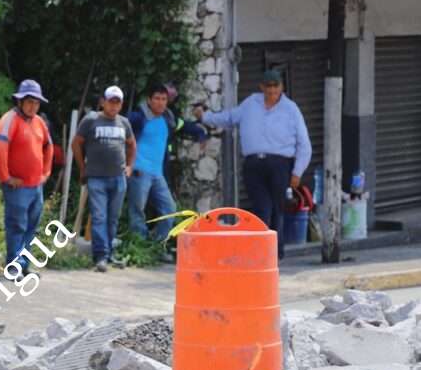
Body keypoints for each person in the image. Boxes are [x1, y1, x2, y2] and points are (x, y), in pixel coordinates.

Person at [193, 68, 312, 259]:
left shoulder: (291, 109)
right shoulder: (251, 103)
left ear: (281, 87)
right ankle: (260, 251)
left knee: (277, 209)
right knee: (261, 208)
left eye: (276, 89)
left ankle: (275, 253)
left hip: (280, 164)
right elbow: (229, 117)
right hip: (254, 164)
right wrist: (205, 117)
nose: (272, 93)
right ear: (262, 87)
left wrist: (297, 172)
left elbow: (304, 144)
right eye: (268, 89)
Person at [126, 83, 206, 246]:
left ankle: (157, 244)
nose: (161, 102)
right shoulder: (137, 118)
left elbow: (185, 126)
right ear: (149, 100)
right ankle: (139, 245)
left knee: (169, 209)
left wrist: (201, 133)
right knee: (137, 211)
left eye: (164, 99)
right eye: (157, 98)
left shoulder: (168, 118)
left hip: (158, 174)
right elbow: (120, 133)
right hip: (138, 171)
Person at [73, 86, 136, 273]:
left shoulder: (124, 123)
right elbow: (76, 143)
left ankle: (108, 254)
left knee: (113, 218)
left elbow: (132, 145)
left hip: (118, 178)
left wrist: (130, 166)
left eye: (117, 102)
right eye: (111, 101)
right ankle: (100, 255)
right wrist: (82, 168)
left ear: (121, 104)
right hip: (96, 178)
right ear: (103, 102)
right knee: (99, 217)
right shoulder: (91, 119)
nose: (114, 106)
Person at [0, 79, 53, 275]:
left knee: (31, 227)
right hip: (17, 187)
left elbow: (49, 147)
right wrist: (6, 177)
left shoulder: (39, 122)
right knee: (17, 226)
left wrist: (46, 173)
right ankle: (13, 266)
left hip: (36, 186)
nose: (33, 106)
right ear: (20, 101)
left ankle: (23, 265)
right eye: (29, 101)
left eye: (36, 103)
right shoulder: (9, 120)